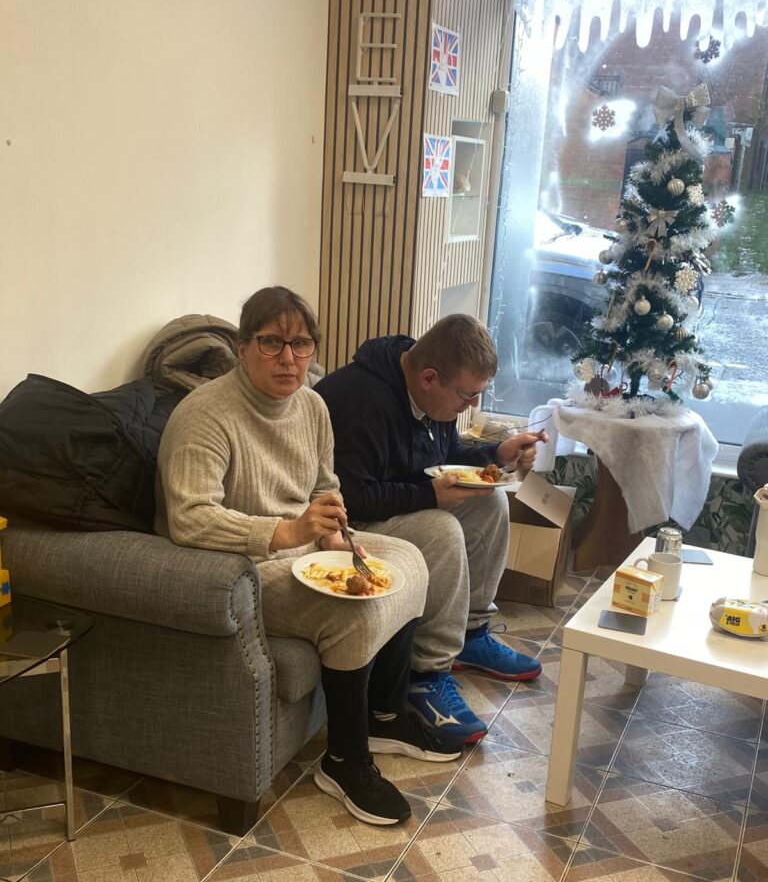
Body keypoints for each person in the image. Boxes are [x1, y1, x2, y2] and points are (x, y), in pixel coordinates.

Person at [155, 287, 463, 827]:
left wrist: (333, 533)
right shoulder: (205, 416)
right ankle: (344, 759)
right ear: (241, 345)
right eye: (271, 343)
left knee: (410, 561)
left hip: (303, 547)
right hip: (244, 568)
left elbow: (326, 486)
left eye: (300, 344)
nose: (289, 359)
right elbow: (190, 519)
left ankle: (386, 716)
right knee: (351, 605)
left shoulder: (313, 406)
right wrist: (288, 531)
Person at [315, 314, 548, 744]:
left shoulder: (430, 391)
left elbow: (444, 451)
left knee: (491, 501)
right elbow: (349, 496)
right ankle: (427, 673)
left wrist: (496, 453)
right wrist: (431, 497)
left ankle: (472, 633)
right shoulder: (359, 402)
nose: (471, 407)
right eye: (467, 396)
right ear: (428, 378)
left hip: (390, 501)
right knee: (441, 529)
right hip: (344, 523)